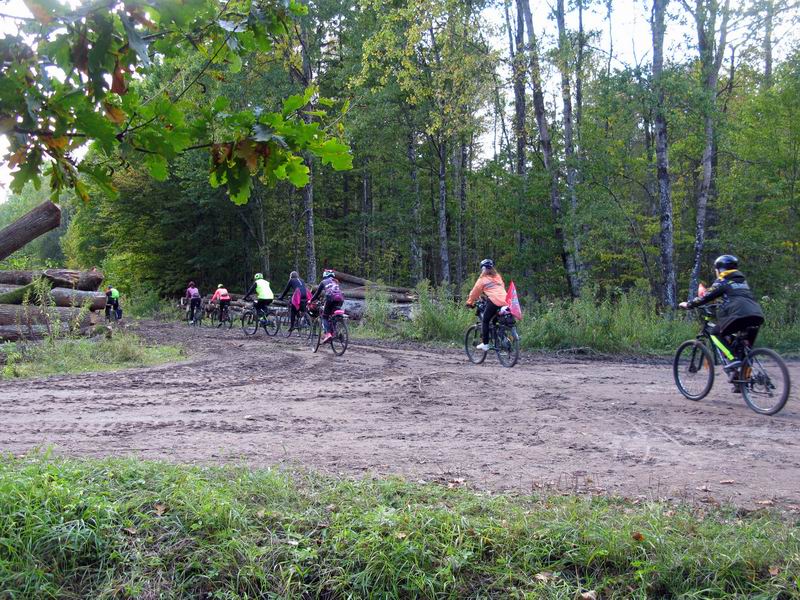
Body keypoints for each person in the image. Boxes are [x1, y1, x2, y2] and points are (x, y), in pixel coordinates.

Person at [679, 254, 765, 385]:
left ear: (720, 269)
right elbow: (736, 297)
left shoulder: (723, 280)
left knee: (715, 333)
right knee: (744, 348)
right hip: (756, 315)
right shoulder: (742, 281)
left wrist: (688, 304)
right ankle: (742, 380)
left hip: (739, 315)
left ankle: (732, 359)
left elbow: (705, 297)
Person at [465, 259, 508, 351]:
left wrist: (469, 302)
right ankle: (502, 339)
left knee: (485, 320)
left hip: (494, 301)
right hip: (505, 301)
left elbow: (474, 293)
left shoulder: (482, 279)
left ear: (483, 268)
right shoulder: (498, 277)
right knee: (495, 321)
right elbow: (497, 289)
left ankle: (485, 343)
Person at [309, 269, 344, 343]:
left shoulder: (323, 282)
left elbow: (317, 294)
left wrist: (310, 300)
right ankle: (335, 332)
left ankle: (328, 334)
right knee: (333, 315)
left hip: (330, 298)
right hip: (340, 299)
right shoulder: (336, 281)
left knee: (325, 316)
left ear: (325, 275)